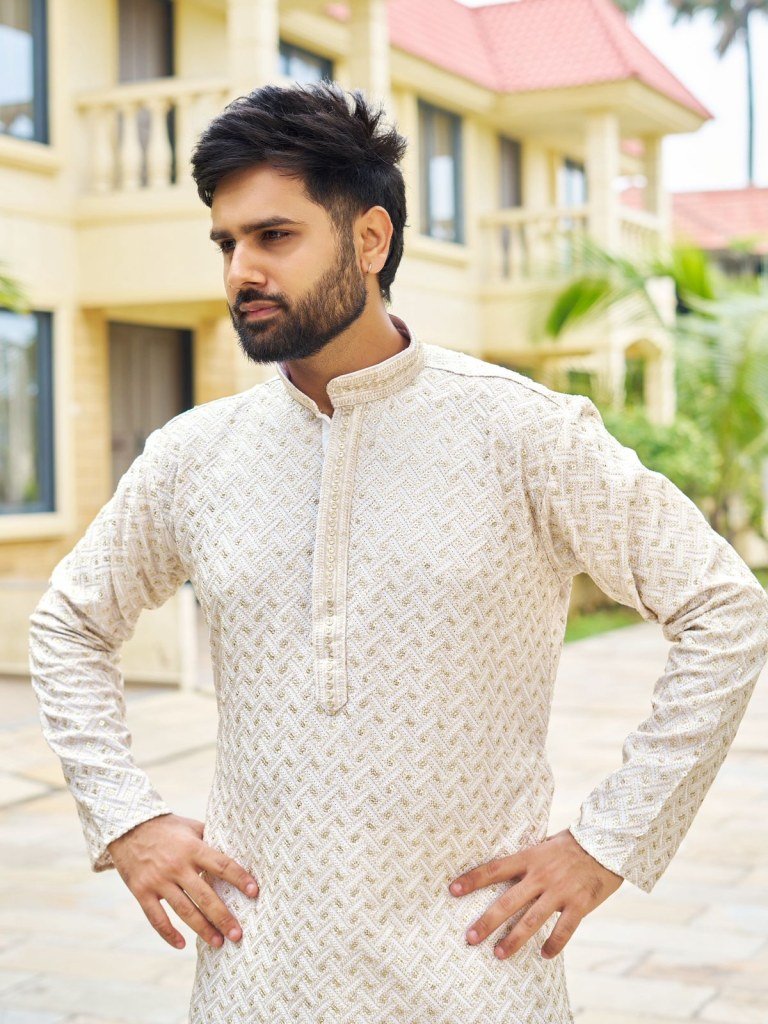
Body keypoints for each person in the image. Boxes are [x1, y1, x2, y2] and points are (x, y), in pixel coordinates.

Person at [28, 79, 768, 1024]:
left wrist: (608, 843)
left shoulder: (523, 434)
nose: (242, 271)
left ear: (370, 239)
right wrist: (125, 816)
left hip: (478, 984)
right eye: (227, 243)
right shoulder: (195, 456)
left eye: (274, 236)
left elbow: (724, 608)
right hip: (258, 985)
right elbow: (70, 624)